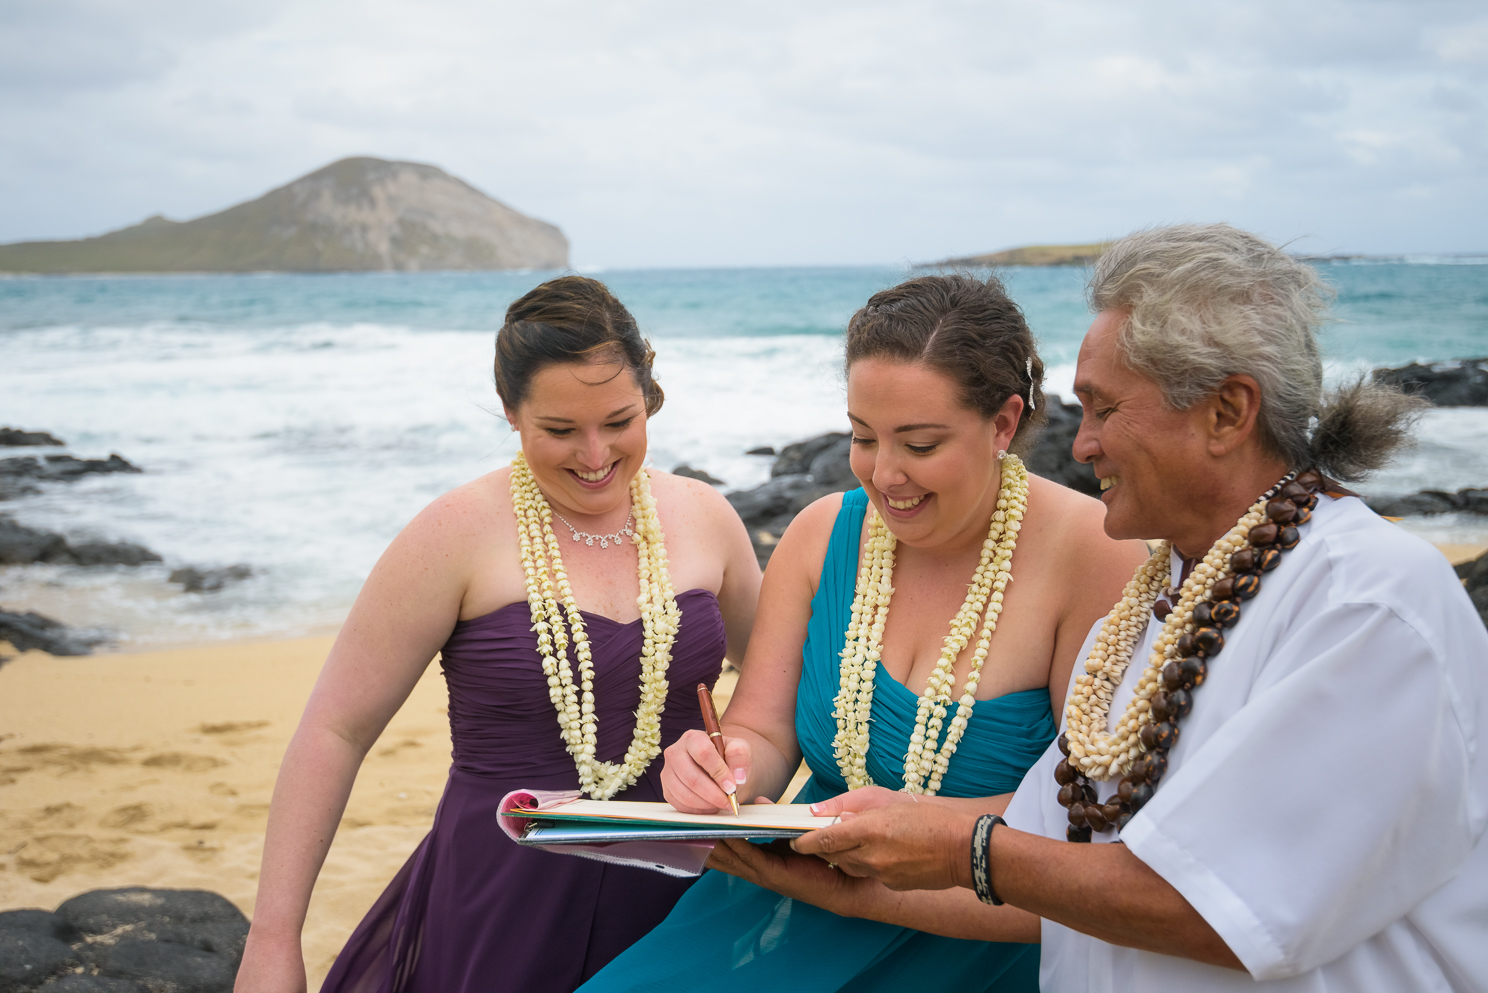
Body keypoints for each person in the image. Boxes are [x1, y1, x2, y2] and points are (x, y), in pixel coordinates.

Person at [779, 223, 1488, 991]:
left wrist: (961, 850)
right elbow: (1054, 858)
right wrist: (820, 878)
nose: (1081, 447)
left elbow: (1217, 906)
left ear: (1228, 411)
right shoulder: (1161, 598)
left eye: (1105, 410)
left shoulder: (1369, 600)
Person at [579, 274, 1150, 993]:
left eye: (919, 442)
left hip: (980, 937)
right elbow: (761, 729)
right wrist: (720, 772)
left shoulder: (1094, 555)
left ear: (1004, 423)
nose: (884, 475)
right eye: (861, 436)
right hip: (792, 906)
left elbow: (1093, 821)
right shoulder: (821, 534)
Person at [233, 275, 761, 993]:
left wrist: (748, 776)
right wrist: (272, 939)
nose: (596, 453)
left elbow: (779, 693)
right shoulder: (452, 536)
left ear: (650, 398)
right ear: (511, 413)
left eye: (619, 419)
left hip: (680, 892)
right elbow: (335, 730)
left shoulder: (706, 517)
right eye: (560, 429)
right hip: (502, 893)